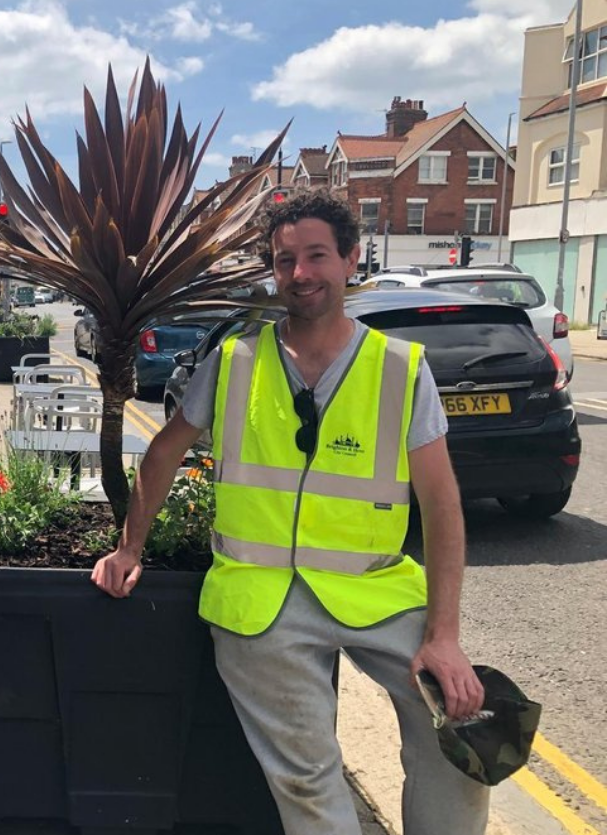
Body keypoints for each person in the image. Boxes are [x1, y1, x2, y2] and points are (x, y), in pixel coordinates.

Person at [91, 189, 490, 835]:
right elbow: (161, 456)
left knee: (461, 732)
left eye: (315, 256)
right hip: (261, 601)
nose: (300, 273)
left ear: (350, 260)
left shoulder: (400, 368)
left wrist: (444, 635)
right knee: (308, 776)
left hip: (376, 592)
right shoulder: (232, 362)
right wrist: (129, 546)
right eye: (284, 260)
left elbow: (442, 504)